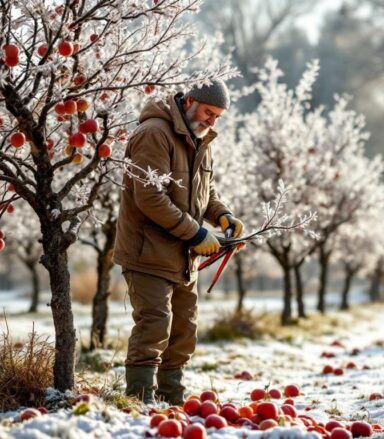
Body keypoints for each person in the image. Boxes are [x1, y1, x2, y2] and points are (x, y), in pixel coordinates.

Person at [113, 80, 244, 404]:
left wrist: (222, 215)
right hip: (148, 253)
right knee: (155, 327)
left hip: (183, 256)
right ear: (189, 102)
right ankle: (139, 401)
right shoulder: (154, 133)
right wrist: (197, 234)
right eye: (208, 112)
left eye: (218, 116)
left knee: (183, 331)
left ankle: (173, 399)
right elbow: (150, 197)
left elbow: (205, 192)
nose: (212, 121)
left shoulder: (201, 139)